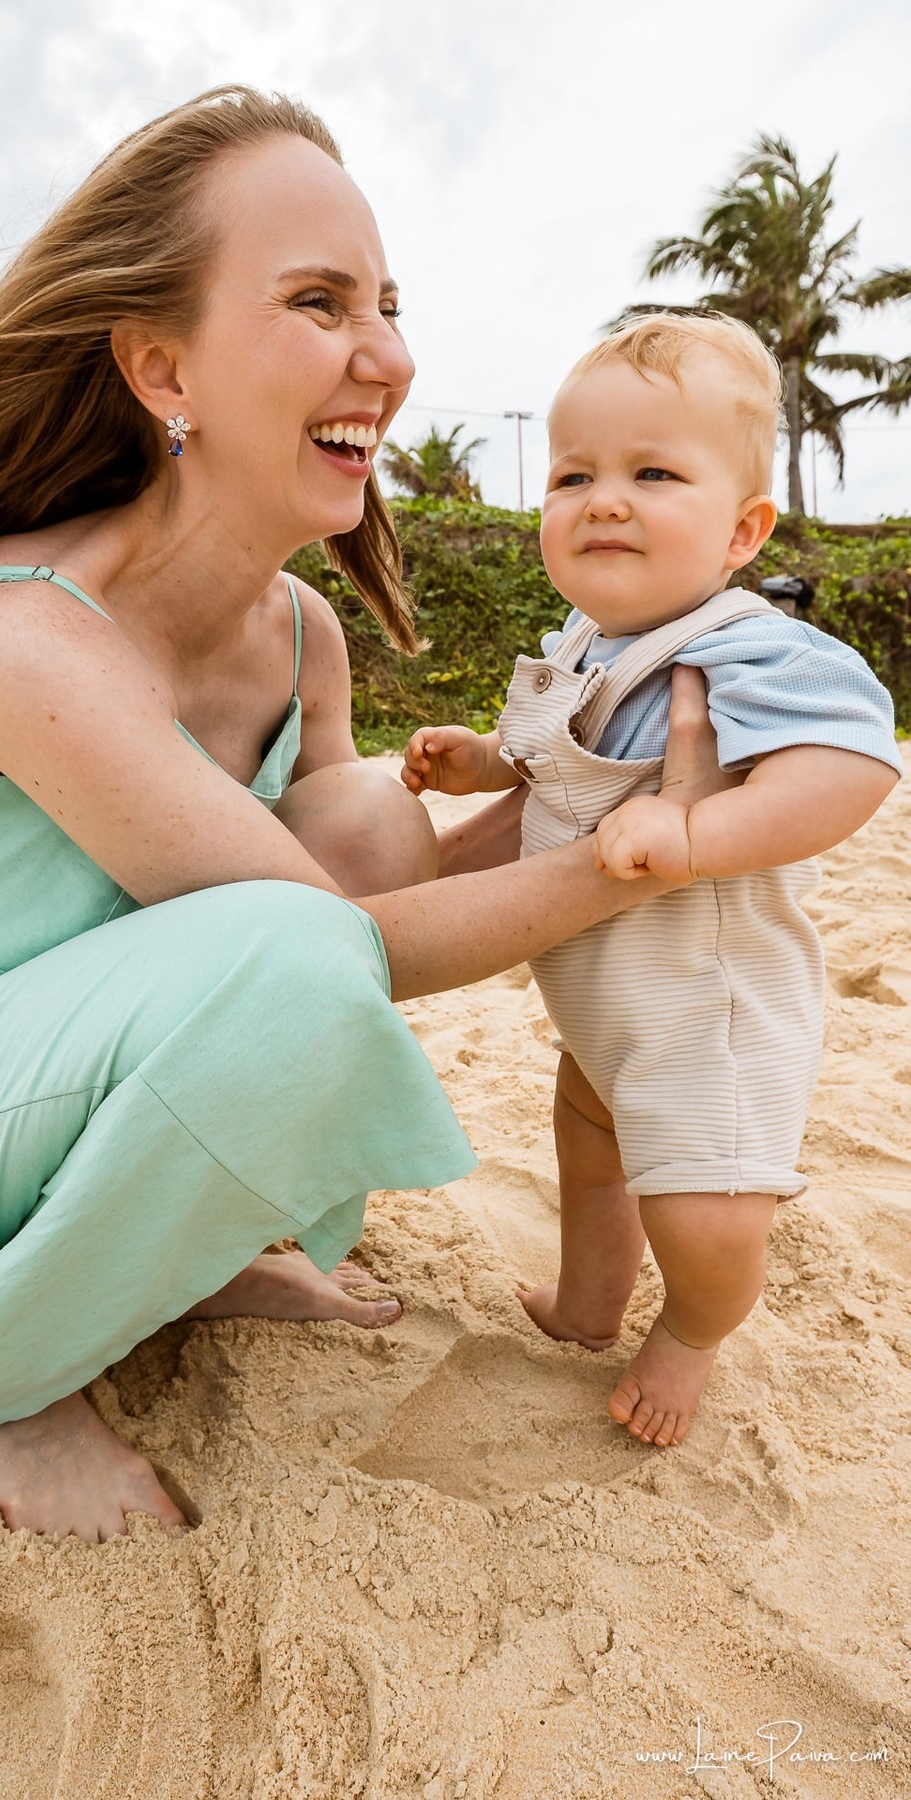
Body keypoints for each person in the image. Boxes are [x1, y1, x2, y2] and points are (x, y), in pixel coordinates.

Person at [0, 92, 841, 1545]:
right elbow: (346, 953)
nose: (389, 354)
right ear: (162, 366)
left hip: (41, 1110)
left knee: (367, 831)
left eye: (387, 304)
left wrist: (605, 792)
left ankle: (201, 1250)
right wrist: (650, 853)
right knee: (310, 955)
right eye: (319, 302)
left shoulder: (303, 632)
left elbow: (393, 888)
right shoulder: (22, 631)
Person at [402, 314, 901, 1450]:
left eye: (653, 473)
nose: (603, 499)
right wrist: (482, 759)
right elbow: (553, 760)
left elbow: (851, 764)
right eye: (574, 474)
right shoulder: (583, 640)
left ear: (742, 531)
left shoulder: (749, 646)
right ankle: (588, 1300)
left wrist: (702, 833)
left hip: (703, 1022)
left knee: (707, 1216)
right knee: (588, 1145)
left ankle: (691, 1332)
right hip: (605, 1009)